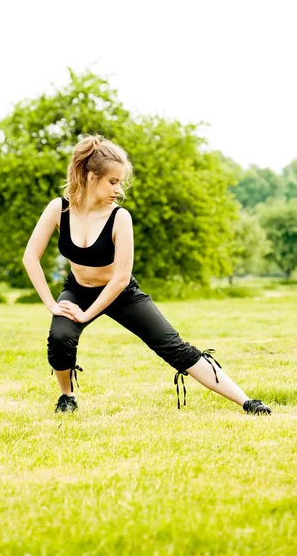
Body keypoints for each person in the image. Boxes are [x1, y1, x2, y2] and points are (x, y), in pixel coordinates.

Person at [22, 134, 271, 416]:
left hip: (121, 293)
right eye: (112, 182)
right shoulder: (60, 208)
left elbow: (119, 278)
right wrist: (53, 305)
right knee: (60, 338)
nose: (118, 189)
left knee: (174, 347)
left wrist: (85, 314)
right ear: (91, 177)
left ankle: (247, 401)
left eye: (120, 183)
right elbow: (30, 257)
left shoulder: (120, 218)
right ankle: (67, 397)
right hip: (78, 289)